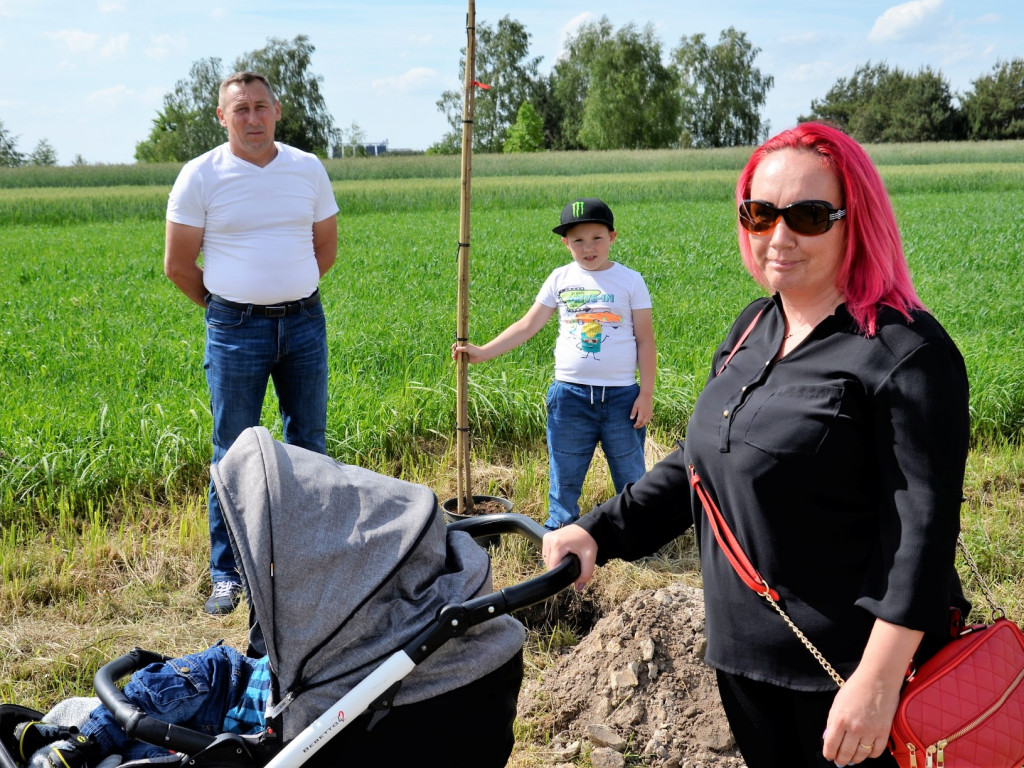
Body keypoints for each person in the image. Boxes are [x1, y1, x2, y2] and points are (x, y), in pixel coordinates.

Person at [542, 123, 970, 768]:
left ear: (857, 221)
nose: (779, 235)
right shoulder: (754, 326)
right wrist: (599, 530)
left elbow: (922, 540)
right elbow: (702, 461)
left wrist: (877, 684)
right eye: (760, 212)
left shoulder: (906, 353)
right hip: (744, 660)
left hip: (846, 676)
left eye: (809, 215)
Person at [163, 71, 339, 614]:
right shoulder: (200, 176)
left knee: (308, 442)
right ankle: (227, 571)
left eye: (261, 106)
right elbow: (177, 265)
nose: (252, 118)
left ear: (277, 111)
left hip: (305, 323)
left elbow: (323, 250)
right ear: (222, 117)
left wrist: (288, 295)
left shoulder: (307, 168)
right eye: (240, 109)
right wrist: (228, 310)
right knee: (232, 451)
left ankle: (305, 558)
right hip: (235, 330)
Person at [453, 197, 656, 531]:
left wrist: (645, 393)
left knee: (631, 475)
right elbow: (527, 325)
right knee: (564, 475)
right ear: (565, 243)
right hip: (570, 398)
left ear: (613, 237)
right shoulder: (560, 278)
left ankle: (638, 536)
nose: (588, 247)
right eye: (578, 240)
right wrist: (482, 352)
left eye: (596, 238)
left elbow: (645, 339)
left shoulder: (630, 281)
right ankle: (560, 535)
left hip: (622, 398)